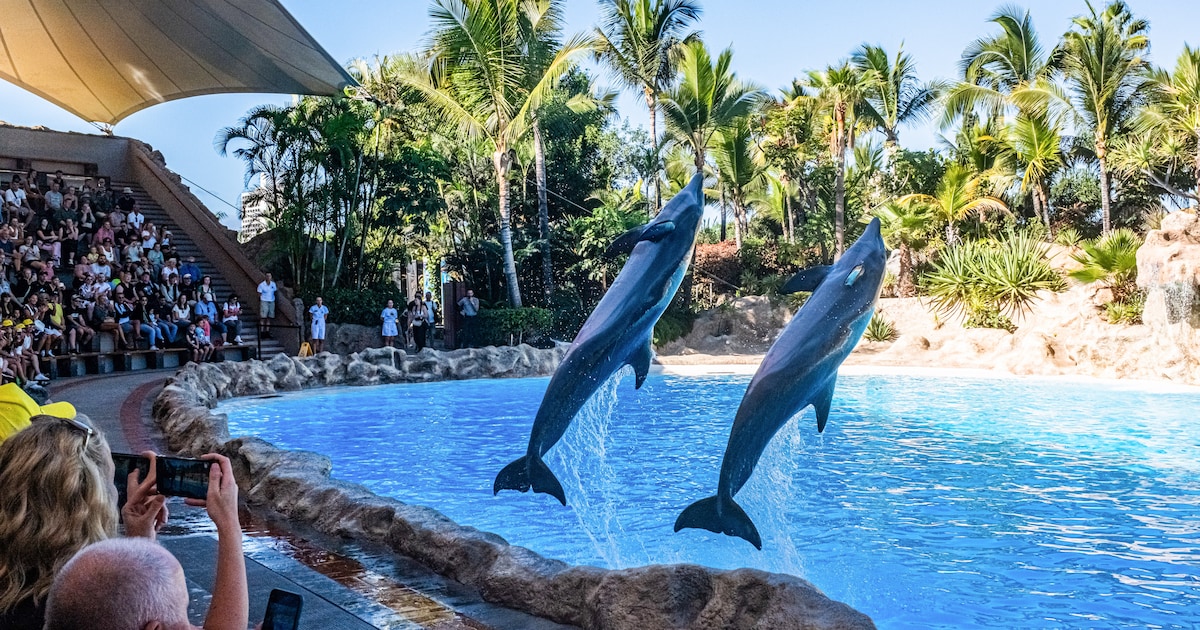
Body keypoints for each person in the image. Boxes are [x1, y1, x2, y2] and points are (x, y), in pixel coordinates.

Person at [0, 415, 168, 627]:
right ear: (90, 504)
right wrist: (224, 522)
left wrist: (139, 544)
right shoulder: (86, 609)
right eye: (111, 481)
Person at [256, 273, 277, 338]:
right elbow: (259, 293)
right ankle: (262, 331)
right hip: (264, 300)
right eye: (267, 276)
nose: (268, 277)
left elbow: (275, 291)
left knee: (269, 317)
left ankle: (267, 331)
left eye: (270, 276)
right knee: (263, 317)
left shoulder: (273, 284)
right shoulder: (262, 285)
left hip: (271, 301)